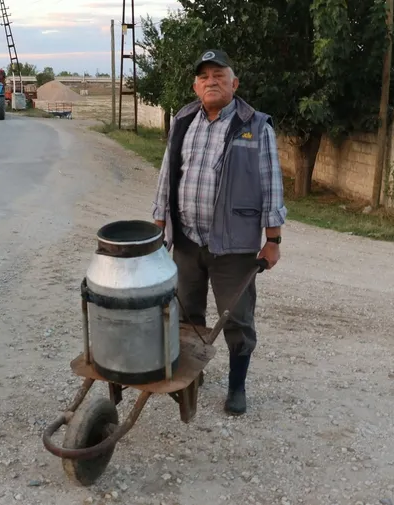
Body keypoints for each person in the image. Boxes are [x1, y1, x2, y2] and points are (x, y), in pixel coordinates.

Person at [152, 49, 286, 415]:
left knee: (237, 318)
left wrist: (272, 240)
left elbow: (271, 184)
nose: (212, 81)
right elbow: (167, 177)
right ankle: (192, 376)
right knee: (186, 315)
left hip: (236, 246)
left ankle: (237, 387)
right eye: (204, 76)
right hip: (187, 240)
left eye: (219, 75)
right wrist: (158, 227)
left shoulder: (255, 125)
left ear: (234, 83)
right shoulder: (182, 120)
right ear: (196, 86)